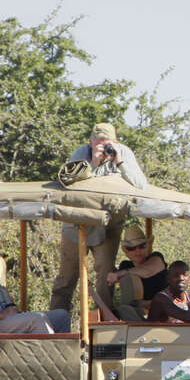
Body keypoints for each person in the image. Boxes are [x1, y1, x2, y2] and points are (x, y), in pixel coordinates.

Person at [50, 122, 147, 312]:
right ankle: (56, 322)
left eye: (108, 143)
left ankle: (103, 322)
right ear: (90, 142)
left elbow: (141, 185)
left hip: (107, 225)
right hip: (77, 225)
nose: (104, 147)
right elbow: (67, 184)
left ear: (115, 142)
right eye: (99, 143)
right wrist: (93, 164)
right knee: (66, 277)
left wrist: (119, 162)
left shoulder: (123, 153)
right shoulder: (82, 153)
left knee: (105, 275)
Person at [107, 225, 168, 321]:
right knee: (124, 310)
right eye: (132, 248)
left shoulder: (156, 257)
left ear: (148, 246)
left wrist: (121, 273)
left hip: (163, 312)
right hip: (138, 314)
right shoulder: (125, 265)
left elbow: (149, 270)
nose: (138, 251)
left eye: (142, 246)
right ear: (125, 251)